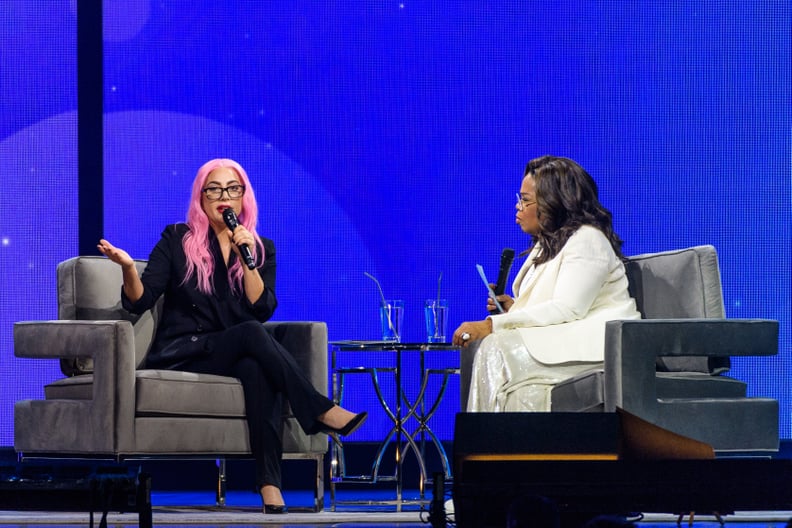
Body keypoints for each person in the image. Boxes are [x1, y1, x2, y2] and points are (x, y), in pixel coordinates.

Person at [97, 158, 366, 514]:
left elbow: (262, 308)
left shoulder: (259, 247)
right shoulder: (178, 239)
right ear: (201, 197)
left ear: (244, 197)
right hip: (186, 350)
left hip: (234, 352)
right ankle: (319, 410)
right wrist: (129, 268)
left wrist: (246, 257)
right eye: (214, 189)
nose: (224, 196)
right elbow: (140, 300)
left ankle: (269, 484)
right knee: (252, 338)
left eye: (232, 189)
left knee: (258, 368)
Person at [452, 155, 640, 412]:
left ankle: (485, 448)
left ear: (555, 202)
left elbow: (568, 308)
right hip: (563, 338)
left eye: (526, 200)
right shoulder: (548, 244)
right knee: (498, 358)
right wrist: (515, 309)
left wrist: (492, 325)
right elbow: (553, 302)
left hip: (597, 346)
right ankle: (495, 447)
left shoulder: (588, 239)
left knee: (495, 347)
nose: (518, 207)